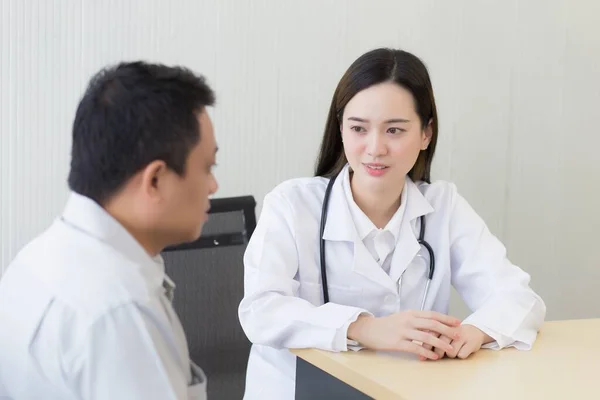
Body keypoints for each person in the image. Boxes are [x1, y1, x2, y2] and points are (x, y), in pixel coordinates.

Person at [238, 48, 546, 399]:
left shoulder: (443, 206)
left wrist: (472, 333)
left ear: (426, 134)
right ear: (340, 129)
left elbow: (519, 297)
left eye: (394, 130)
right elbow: (260, 312)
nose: (374, 148)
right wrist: (364, 328)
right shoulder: (292, 205)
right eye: (358, 128)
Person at [0, 61, 219, 399]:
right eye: (207, 167)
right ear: (155, 180)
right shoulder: (120, 313)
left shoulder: (32, 260)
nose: (214, 186)